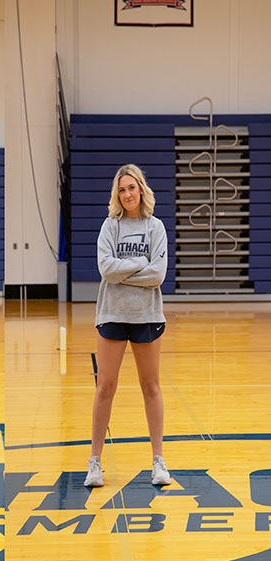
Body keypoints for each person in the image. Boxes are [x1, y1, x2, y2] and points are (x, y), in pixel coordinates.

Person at [85, 163, 171, 488]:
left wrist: (126, 271)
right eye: (121, 190)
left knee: (151, 386)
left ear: (141, 190)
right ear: (116, 195)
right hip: (112, 315)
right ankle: (94, 463)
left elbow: (158, 274)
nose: (127, 194)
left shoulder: (155, 227)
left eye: (131, 188)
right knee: (105, 387)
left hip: (147, 316)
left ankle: (158, 461)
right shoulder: (110, 226)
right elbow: (106, 269)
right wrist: (139, 265)